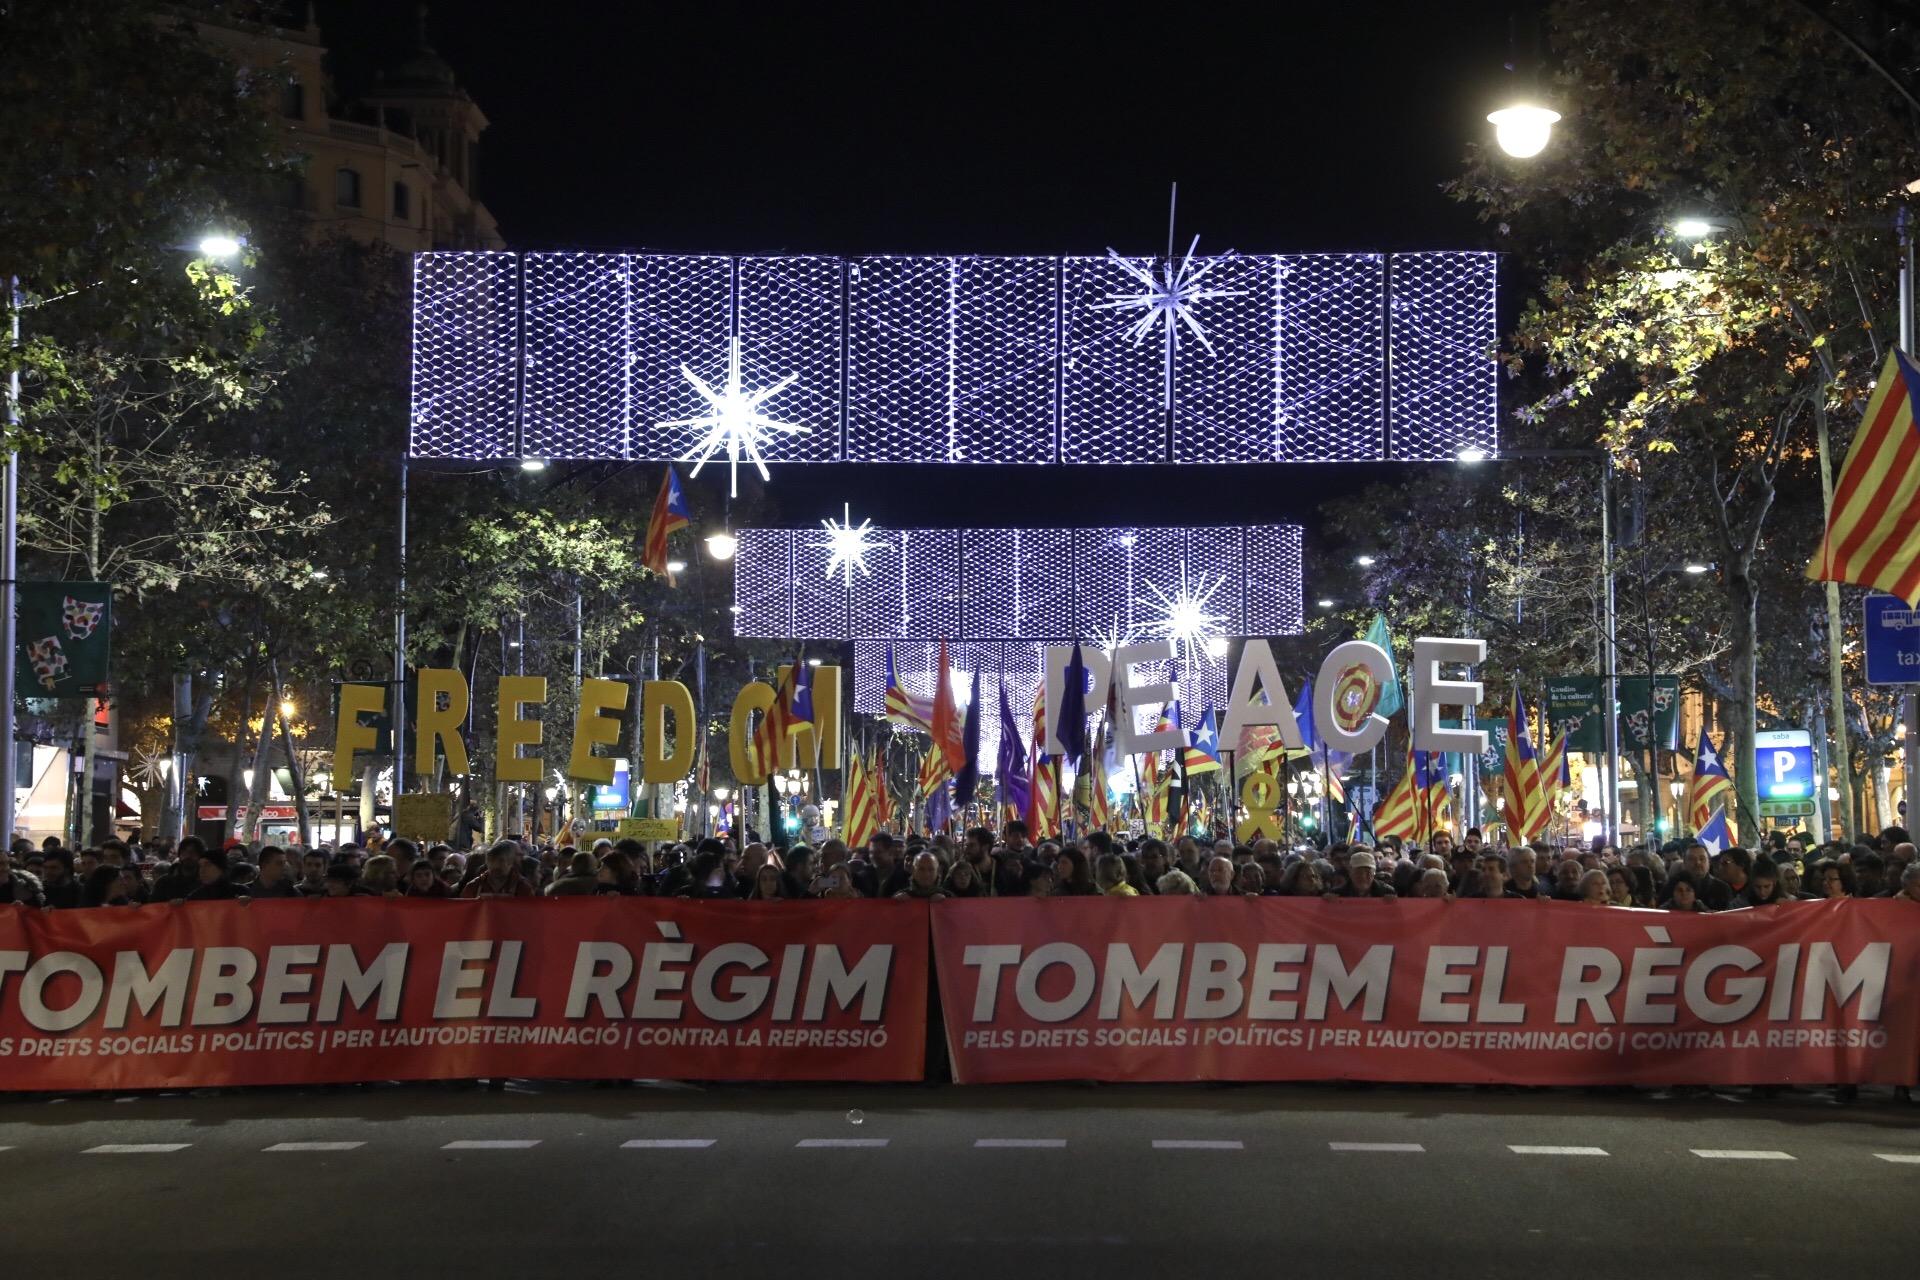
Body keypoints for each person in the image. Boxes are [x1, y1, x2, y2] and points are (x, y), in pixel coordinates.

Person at [462, 841, 537, 898]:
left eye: (502, 860)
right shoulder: (474, 887)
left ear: (510, 862)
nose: (496, 865)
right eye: (492, 860)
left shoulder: (522, 887)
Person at [150, 836, 204, 902]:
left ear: (201, 856)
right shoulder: (163, 883)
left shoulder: (206, 883)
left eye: (193, 852)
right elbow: (153, 908)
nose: (188, 856)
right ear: (179, 854)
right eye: (184, 851)